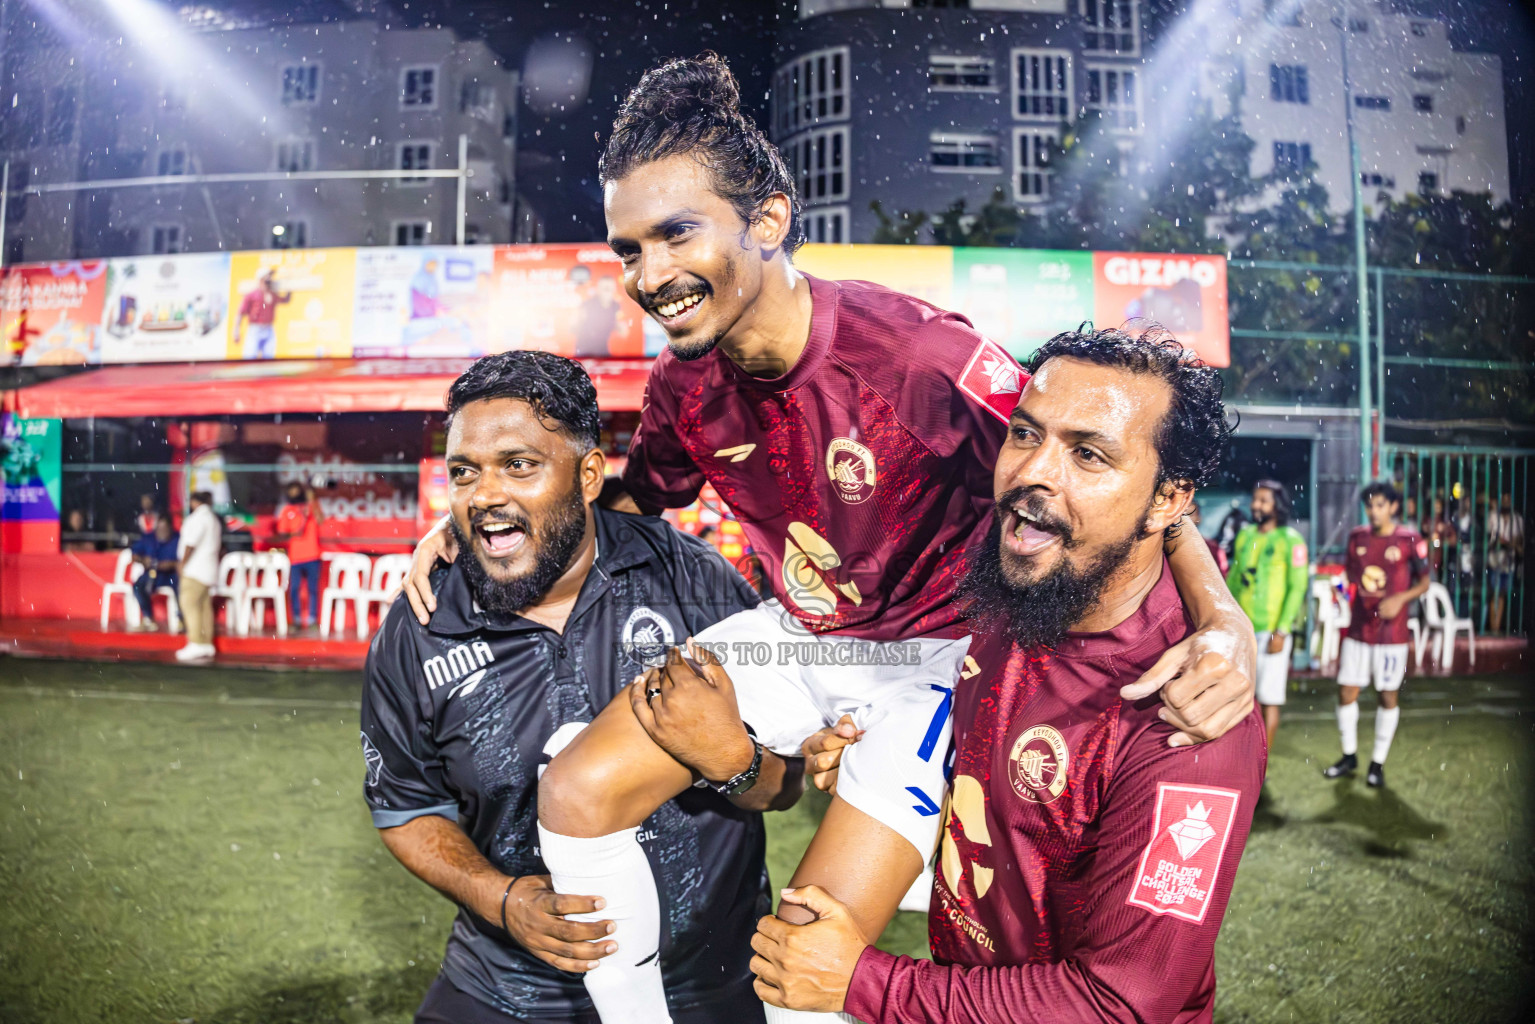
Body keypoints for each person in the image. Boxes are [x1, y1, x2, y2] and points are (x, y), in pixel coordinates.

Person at [405, 53, 1255, 1024]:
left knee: (803, 967)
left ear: (767, 220)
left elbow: (1086, 469)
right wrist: (490, 525)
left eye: (674, 234)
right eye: (628, 249)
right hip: (798, 637)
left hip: (937, 659)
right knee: (575, 790)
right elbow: (627, 508)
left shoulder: (916, 356)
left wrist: (1219, 613)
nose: (647, 276)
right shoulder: (685, 390)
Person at [749, 328, 1265, 1021]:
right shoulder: (1022, 582)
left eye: (1087, 453)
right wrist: (884, 741)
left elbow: (1124, 1001)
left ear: (1168, 501)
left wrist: (865, 983)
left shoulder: (1189, 720)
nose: (1032, 473)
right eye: (1024, 434)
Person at [363, 352, 826, 1024]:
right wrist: (500, 899)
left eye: (518, 465)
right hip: (510, 990)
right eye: (465, 472)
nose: (485, 493)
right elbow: (405, 807)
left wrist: (733, 762)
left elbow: (784, 784)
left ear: (585, 476)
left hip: (706, 987)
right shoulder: (422, 625)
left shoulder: (693, 585)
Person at [1325, 482, 1431, 788]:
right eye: (1370, 505)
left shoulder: (1410, 539)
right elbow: (1349, 578)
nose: (1374, 511)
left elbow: (1425, 582)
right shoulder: (1357, 537)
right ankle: (1349, 756)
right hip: (1359, 630)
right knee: (1346, 691)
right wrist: (1340, 591)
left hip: (1391, 635)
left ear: (1393, 507)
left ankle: (1377, 763)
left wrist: (1400, 599)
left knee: (1387, 695)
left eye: (1380, 505)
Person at [1227, 480, 1309, 749]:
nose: (1256, 505)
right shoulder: (1245, 535)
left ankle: (1261, 763)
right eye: (1255, 499)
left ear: (1278, 505)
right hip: (1241, 631)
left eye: (1263, 500)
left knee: (1268, 699)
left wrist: (1282, 630)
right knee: (1239, 696)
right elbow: (1234, 580)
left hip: (1271, 631)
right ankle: (1238, 756)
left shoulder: (1291, 540)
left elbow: (1297, 589)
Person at [176, 491, 221, 662]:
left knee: (190, 605)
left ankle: (195, 642)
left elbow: (191, 543)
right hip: (208, 569)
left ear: (195, 502)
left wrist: (183, 563)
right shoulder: (213, 519)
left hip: (195, 569)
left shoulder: (198, 518)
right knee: (204, 607)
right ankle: (205, 644)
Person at [274, 480, 325, 630]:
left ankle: (312, 619)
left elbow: (321, 520)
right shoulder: (287, 510)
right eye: (292, 491)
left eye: (297, 491)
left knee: (313, 589)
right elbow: (281, 533)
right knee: (294, 588)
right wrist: (294, 532)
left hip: (313, 555)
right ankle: (296, 620)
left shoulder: (311, 506)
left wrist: (312, 502)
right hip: (295, 557)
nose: (294, 494)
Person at [130, 516, 179, 631]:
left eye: (164, 528)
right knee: (138, 586)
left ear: (170, 528)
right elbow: (134, 555)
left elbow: (181, 562)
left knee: (181, 586)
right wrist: (143, 560)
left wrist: (165, 564)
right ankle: (148, 619)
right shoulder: (149, 538)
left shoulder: (177, 538)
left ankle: (181, 619)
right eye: (159, 528)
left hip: (171, 575)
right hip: (153, 574)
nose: (162, 531)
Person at [1485, 492, 1523, 634]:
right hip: (1494, 561)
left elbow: (1519, 540)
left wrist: (1509, 543)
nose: (1506, 502)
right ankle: (1493, 627)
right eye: (1504, 499)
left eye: (1508, 499)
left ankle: (1497, 627)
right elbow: (1493, 538)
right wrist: (1509, 542)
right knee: (1494, 593)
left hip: (1509, 563)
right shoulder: (1493, 516)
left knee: (1502, 594)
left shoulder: (1518, 519)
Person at [234, 268, 291, 360]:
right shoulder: (251, 295)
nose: (270, 279)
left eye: (270, 276)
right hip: (255, 330)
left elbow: (286, 300)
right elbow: (240, 313)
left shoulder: (272, 294)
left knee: (268, 359)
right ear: (261, 279)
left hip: (268, 329)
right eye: (268, 276)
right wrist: (236, 330)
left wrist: (289, 287)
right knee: (250, 358)